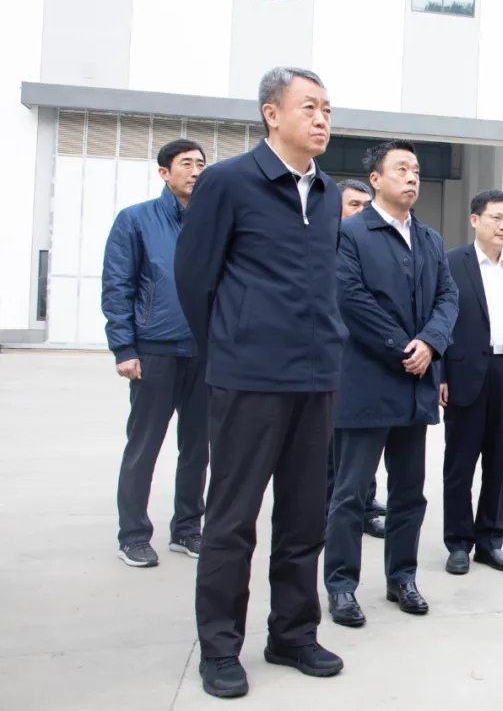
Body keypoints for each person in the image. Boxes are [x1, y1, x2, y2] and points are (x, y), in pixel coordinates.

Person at [174, 66, 348, 698]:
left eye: (327, 109)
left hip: (317, 380)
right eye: (309, 107)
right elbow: (194, 278)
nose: (322, 119)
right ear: (271, 114)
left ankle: (293, 634)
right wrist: (229, 346)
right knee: (231, 519)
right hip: (248, 380)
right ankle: (220, 647)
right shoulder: (227, 182)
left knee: (304, 517)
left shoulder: (328, 193)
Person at [324, 140, 459, 625]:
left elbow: (447, 297)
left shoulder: (429, 239)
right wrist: (405, 347)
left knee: (409, 493)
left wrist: (431, 343)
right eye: (401, 168)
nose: (412, 177)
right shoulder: (350, 233)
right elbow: (350, 298)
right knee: (350, 493)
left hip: (414, 385)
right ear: (376, 179)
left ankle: (402, 577)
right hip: (367, 380)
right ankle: (341, 585)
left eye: (416, 170)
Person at [101, 139, 210, 568]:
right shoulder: (136, 220)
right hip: (154, 352)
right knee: (144, 446)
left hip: (203, 353)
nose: (196, 171)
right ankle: (132, 535)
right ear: (164, 172)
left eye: (201, 164)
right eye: (186, 164)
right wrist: (124, 348)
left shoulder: (212, 222)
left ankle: (187, 528)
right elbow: (117, 286)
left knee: (197, 448)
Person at [439, 190, 503, 575]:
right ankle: (458, 543)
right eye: (496, 217)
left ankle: (490, 542)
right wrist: (440, 374)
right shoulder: (452, 263)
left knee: (499, 467)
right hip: (464, 375)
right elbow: (438, 320)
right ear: (475, 220)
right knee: (460, 465)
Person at [326, 177, 387, 540]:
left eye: (367, 206)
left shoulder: (374, 249)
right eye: (354, 205)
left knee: (366, 439)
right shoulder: (324, 245)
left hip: (368, 355)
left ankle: (365, 505)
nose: (362, 212)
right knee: (331, 444)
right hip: (331, 356)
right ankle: (330, 509)